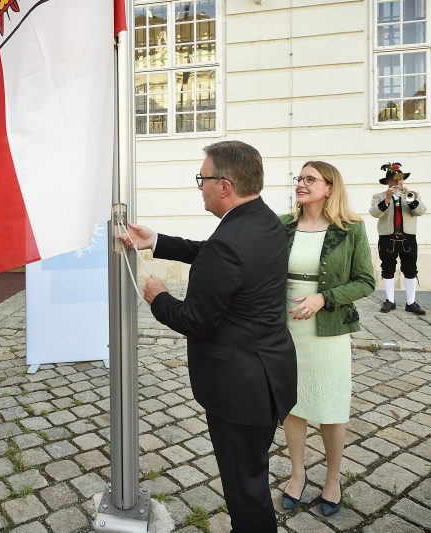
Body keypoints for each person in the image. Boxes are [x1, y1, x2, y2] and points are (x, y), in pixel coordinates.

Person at [120, 140, 297, 532]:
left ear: (225, 185)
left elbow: (195, 319)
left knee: (245, 494)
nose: (199, 185)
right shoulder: (262, 219)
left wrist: (158, 298)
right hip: (267, 376)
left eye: (202, 178)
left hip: (240, 390)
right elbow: (215, 253)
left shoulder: (232, 240)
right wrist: (157, 241)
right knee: (250, 479)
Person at [279, 161, 374, 516]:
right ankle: (298, 474)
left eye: (310, 179)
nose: (301, 184)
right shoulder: (282, 225)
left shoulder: (350, 229)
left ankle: (333, 479)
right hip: (286, 330)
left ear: (330, 187)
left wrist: (324, 298)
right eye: (298, 179)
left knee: (331, 407)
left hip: (328, 330)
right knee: (293, 404)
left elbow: (366, 281)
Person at [369, 162, 427, 315]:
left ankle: (411, 302)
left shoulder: (412, 194)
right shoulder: (379, 196)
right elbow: (375, 213)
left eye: (400, 179)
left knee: (410, 269)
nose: (397, 183)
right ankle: (390, 300)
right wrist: (387, 199)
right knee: (387, 268)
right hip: (387, 237)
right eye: (394, 180)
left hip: (408, 237)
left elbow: (420, 211)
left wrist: (409, 198)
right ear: (388, 182)